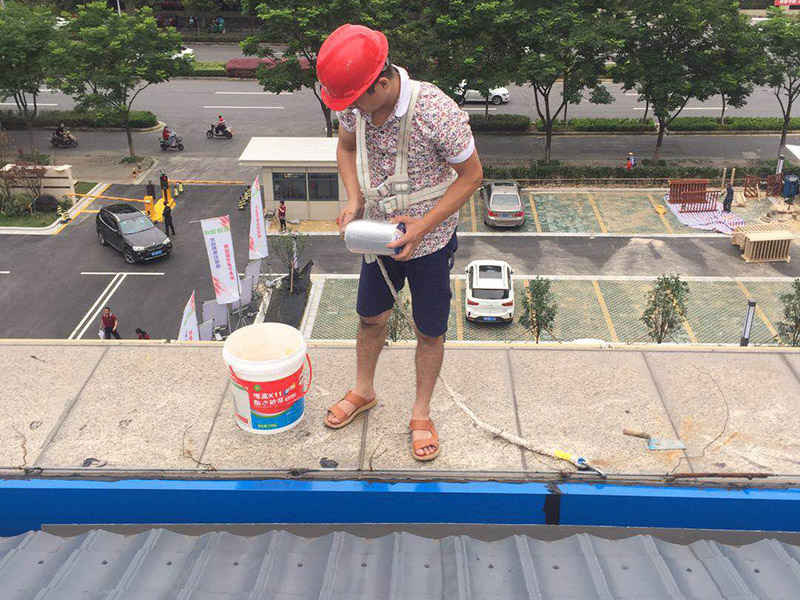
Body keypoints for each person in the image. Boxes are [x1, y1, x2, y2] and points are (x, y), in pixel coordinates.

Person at [317, 24, 483, 461]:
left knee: (429, 331)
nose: (351, 110)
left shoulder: (436, 111)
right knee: (370, 317)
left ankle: (421, 412)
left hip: (430, 243)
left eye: (356, 100)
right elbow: (346, 149)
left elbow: (472, 177)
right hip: (377, 238)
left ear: (382, 84)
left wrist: (424, 226)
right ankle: (364, 390)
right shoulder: (355, 109)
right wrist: (354, 198)